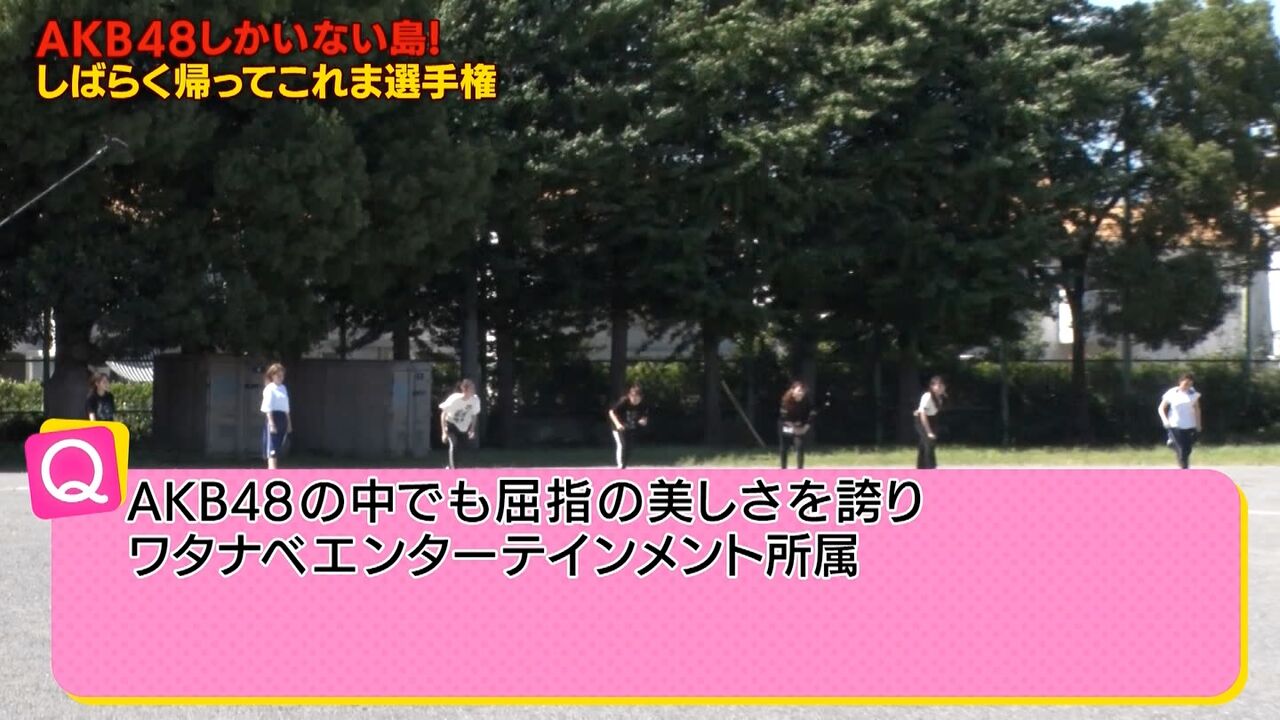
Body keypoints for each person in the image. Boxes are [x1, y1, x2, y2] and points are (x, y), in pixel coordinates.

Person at [1158, 372, 1202, 469]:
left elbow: (1197, 409)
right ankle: (1184, 470)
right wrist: (1165, 420)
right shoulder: (1172, 393)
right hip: (1175, 425)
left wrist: (1198, 424)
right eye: (1185, 384)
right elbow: (1161, 408)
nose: (1187, 386)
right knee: (1182, 450)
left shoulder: (1193, 393)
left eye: (1190, 384)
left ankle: (1173, 444)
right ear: (1180, 382)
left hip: (1190, 425)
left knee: (1187, 449)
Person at [440, 379, 481, 469]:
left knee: (460, 448)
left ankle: (449, 466)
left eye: (474, 388)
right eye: (471, 388)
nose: (473, 390)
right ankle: (454, 470)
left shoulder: (475, 400)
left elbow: (474, 415)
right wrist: (444, 432)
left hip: (463, 427)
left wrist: (472, 429)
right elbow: (443, 414)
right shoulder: (454, 399)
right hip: (451, 424)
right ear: (464, 389)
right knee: (453, 444)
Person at [608, 384, 649, 469]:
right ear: (629, 396)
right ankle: (620, 466)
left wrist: (643, 421)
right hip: (618, 427)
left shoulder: (643, 405)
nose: (634, 399)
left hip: (630, 427)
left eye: (637, 397)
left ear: (641, 398)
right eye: (633, 396)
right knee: (622, 444)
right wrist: (618, 424)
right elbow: (611, 412)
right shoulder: (624, 401)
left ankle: (624, 465)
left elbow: (644, 416)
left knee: (629, 447)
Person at [260, 363, 292, 470]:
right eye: (278, 376)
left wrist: (289, 423)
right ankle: (272, 471)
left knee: (278, 447)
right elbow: (268, 407)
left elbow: (286, 407)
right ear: (272, 375)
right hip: (273, 418)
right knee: (272, 449)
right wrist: (272, 424)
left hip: (283, 418)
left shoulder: (283, 388)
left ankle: (274, 469)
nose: (281, 378)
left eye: (282, 376)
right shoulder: (269, 389)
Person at [778, 380, 816, 469]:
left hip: (800, 426)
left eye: (803, 391)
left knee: (800, 446)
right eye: (799, 390)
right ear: (792, 391)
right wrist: (794, 429)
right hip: (786, 425)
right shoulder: (786, 401)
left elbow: (812, 415)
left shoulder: (807, 401)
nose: (801, 393)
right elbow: (784, 418)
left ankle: (800, 470)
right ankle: (783, 469)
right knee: (784, 447)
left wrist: (805, 429)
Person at [914, 376, 946, 469]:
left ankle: (921, 467)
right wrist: (928, 431)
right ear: (932, 387)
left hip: (932, 419)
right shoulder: (927, 396)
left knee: (923, 444)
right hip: (922, 420)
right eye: (938, 386)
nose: (941, 388)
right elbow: (923, 414)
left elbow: (934, 412)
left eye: (942, 385)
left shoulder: (941, 397)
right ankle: (930, 467)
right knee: (929, 442)